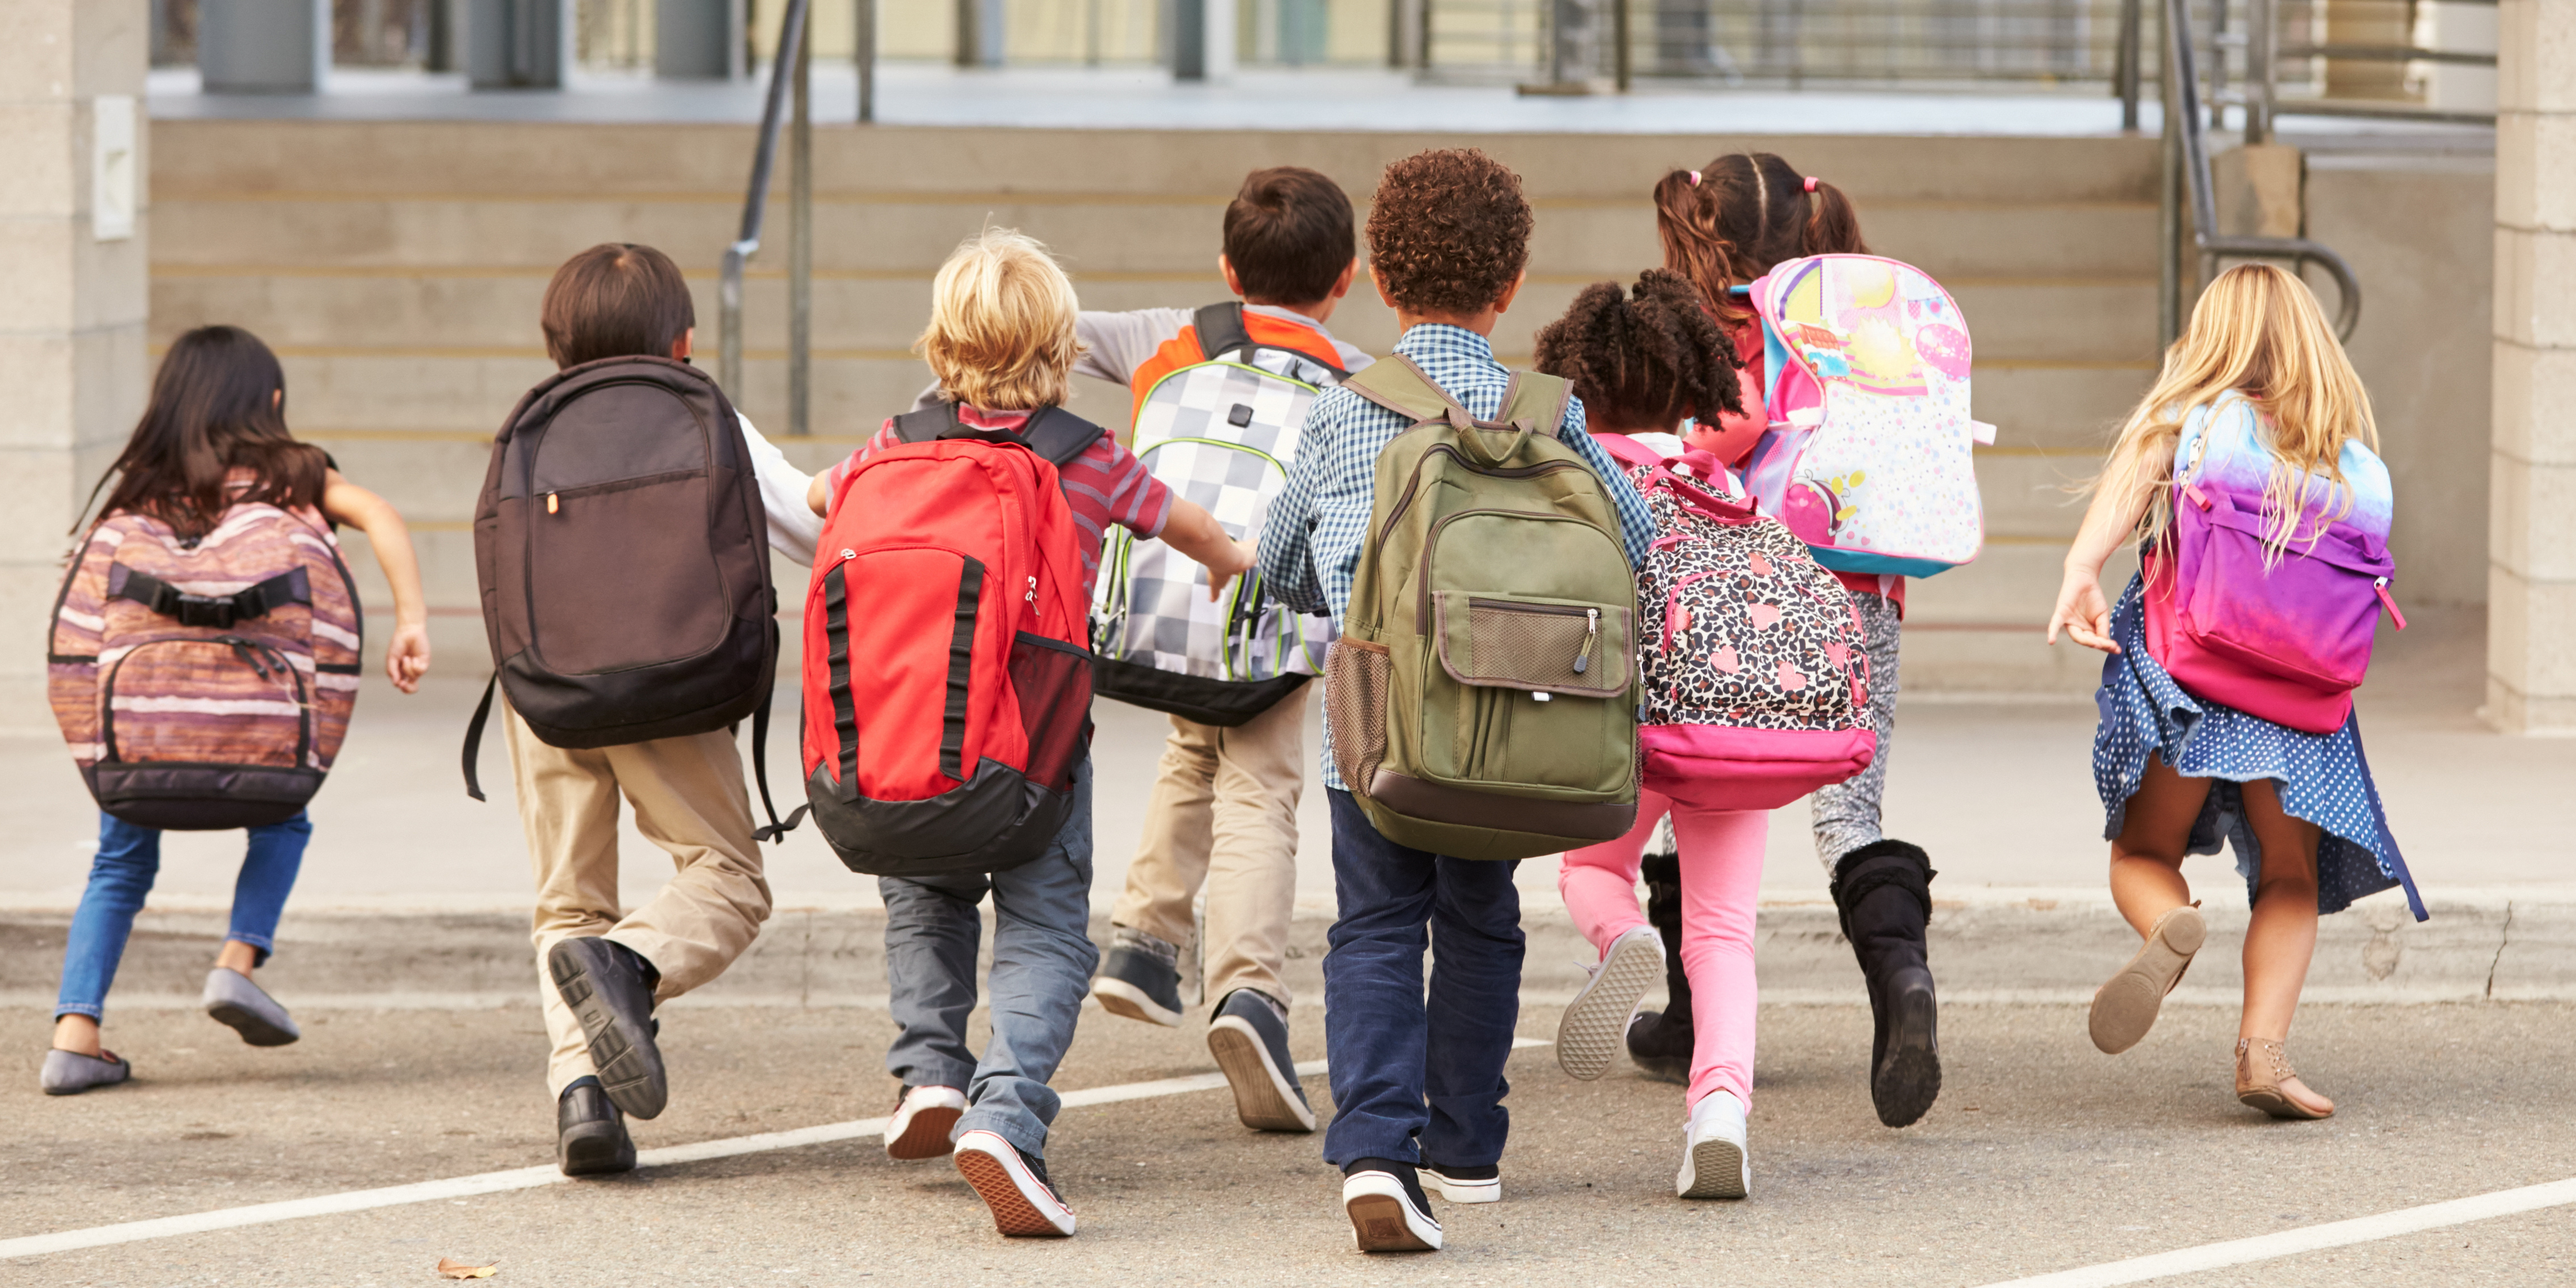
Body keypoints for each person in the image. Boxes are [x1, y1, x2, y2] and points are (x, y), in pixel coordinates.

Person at [811, 228, 1257, 1238]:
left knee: (926, 900)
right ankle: (1006, 1114)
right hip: (1034, 757)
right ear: (1060, 347)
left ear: (941, 342)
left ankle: (929, 1070)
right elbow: (1184, 525)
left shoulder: (896, 442)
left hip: (908, 742)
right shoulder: (1087, 458)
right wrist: (1232, 559)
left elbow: (818, 498)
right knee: (1047, 926)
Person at [1260, 148, 1656, 1253]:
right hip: (1513, 729)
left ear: (1381, 279)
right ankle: (1468, 1150)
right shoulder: (1550, 415)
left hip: (1379, 735)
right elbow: (1641, 547)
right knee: (1480, 924)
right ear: (1510, 283)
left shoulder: (1348, 413)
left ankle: (1378, 1152)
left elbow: (1282, 564)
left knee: (1376, 926)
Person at [2047, 262, 2419, 1120]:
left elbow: (2137, 470)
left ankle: (2167, 925)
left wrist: (2080, 569)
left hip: (2191, 678)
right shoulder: (2347, 459)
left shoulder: (2193, 423)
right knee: (2290, 874)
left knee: (2145, 854)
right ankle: (2265, 1056)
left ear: (2211, 338)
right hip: (2302, 699)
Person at [499, 244, 824, 1176]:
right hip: (670, 687)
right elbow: (811, 529)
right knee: (726, 876)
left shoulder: (534, 424)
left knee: (568, 903)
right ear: (684, 340)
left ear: (556, 340)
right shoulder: (701, 413)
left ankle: (583, 1098)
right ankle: (632, 967)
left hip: (544, 689)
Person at [1637, 151, 1945, 1131]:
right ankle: (1901, 978)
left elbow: (1703, 441)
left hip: (1734, 596)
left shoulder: (1698, 337)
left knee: (1700, 781)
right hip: (1857, 594)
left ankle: (1694, 1017)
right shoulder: (1856, 331)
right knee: (1849, 814)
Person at [42, 324, 433, 1095]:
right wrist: (412, 619)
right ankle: (238, 961)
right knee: (284, 818)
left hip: (146, 729)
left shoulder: (139, 487)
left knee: (119, 862)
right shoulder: (296, 476)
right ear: (273, 402)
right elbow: (381, 514)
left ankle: (75, 1035)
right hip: (263, 728)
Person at [1067, 165, 1371, 1135]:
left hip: (1156, 605)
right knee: (1262, 791)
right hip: (1266, 611)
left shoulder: (1167, 337)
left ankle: (1145, 941)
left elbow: (1049, 328)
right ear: (1349, 278)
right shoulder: (1356, 376)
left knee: (1195, 742)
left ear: (1226, 268)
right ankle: (1249, 996)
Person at [1533, 271, 1770, 1198]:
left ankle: (1623, 936)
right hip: (1726, 731)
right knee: (1723, 932)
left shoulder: (1583, 469)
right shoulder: (1725, 483)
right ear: (1693, 387)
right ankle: (1720, 1111)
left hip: (1617, 729)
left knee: (1592, 869)